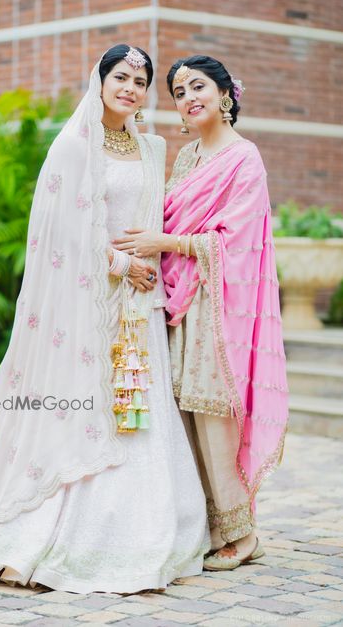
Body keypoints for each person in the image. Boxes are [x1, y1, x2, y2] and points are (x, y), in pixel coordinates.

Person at [0, 45, 208, 592]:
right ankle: (51, 535)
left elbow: (154, 218)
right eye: (121, 76)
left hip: (140, 310)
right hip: (92, 305)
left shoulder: (151, 147)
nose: (131, 87)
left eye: (141, 81)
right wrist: (121, 264)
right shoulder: (75, 147)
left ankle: (153, 528)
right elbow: (59, 233)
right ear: (98, 81)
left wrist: (153, 266)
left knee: (139, 413)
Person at [113, 55, 288, 571]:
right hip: (177, 297)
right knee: (184, 410)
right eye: (179, 91)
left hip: (220, 301)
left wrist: (162, 240)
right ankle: (206, 526)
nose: (189, 98)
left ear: (225, 93)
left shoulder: (244, 157)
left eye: (198, 86)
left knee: (213, 410)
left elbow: (236, 238)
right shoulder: (187, 157)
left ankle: (242, 530)